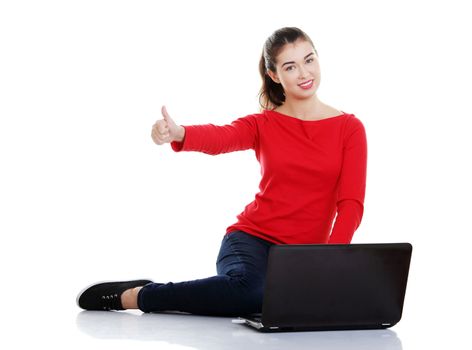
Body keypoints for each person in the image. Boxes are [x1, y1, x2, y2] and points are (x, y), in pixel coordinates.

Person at [76, 26, 367, 316]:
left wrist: (329, 260)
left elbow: (350, 205)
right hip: (252, 240)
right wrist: (178, 133)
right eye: (290, 66)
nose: (304, 74)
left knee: (297, 302)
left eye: (309, 60)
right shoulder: (262, 124)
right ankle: (138, 296)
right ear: (274, 75)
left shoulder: (349, 128)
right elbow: (222, 137)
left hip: (304, 255)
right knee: (251, 293)